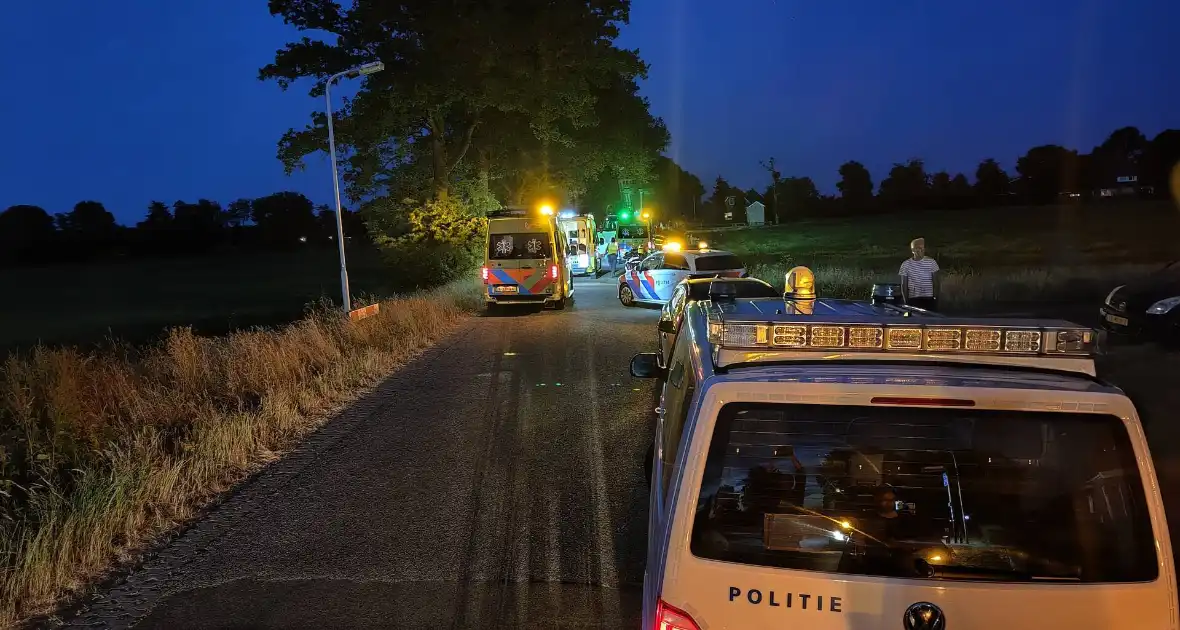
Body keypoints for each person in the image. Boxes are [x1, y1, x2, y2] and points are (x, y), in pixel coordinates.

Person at [899, 237, 940, 311]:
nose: (921, 250)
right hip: (913, 299)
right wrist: (906, 301)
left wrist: (935, 298)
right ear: (913, 250)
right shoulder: (905, 265)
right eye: (918, 248)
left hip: (928, 298)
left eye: (922, 248)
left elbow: (936, 283)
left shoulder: (931, 262)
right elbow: (903, 285)